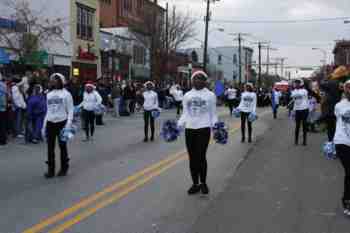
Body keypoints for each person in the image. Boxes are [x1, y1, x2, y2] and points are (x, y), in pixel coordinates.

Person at [178, 71, 218, 195]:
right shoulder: (187, 95)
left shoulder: (210, 95)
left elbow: (213, 114)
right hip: (190, 129)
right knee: (192, 158)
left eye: (201, 79)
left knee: (201, 157)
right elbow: (185, 113)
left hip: (204, 128)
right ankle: (195, 184)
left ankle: (203, 183)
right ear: (192, 80)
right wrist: (179, 125)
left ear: (205, 81)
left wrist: (216, 127)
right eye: (195, 78)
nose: (198, 81)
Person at [42, 73, 74, 178]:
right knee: (50, 148)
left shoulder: (66, 94)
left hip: (62, 123)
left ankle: (64, 168)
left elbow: (70, 110)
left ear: (61, 81)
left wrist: (68, 125)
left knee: (62, 147)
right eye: (52, 80)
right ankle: (51, 170)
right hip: (51, 123)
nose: (53, 81)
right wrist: (44, 125)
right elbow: (48, 111)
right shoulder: (49, 94)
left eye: (56, 79)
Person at [334, 80, 350, 215]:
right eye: (348, 88)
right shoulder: (340, 105)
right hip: (343, 142)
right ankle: (347, 201)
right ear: (345, 90)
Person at [291, 79, 309, 146]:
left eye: (298, 83)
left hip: (304, 109)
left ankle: (304, 141)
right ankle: (296, 141)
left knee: (304, 126)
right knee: (297, 126)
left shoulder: (304, 91)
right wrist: (295, 93)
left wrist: (295, 94)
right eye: (295, 83)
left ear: (300, 84)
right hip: (297, 110)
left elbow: (298, 95)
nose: (296, 84)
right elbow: (293, 96)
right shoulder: (294, 91)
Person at [0, 74, 7, 145]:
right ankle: (3, 140)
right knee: (3, 124)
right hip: (3, 107)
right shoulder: (4, 85)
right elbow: (6, 95)